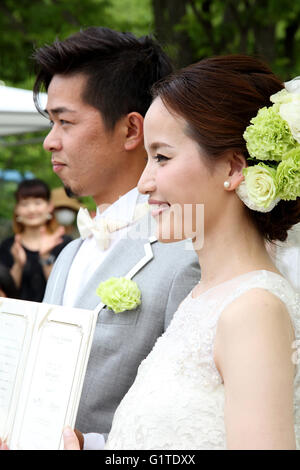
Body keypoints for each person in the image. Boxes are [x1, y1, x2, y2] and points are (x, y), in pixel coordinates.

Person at [64, 54, 300, 450]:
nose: (144, 184)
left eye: (161, 157)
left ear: (232, 168)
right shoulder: (205, 297)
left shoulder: (252, 310)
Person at [33, 26, 200, 449]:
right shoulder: (70, 253)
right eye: (50, 123)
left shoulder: (187, 254)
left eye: (64, 122)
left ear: (131, 131)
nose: (50, 142)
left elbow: (197, 422)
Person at [0, 179, 72, 302]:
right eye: (24, 204)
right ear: (17, 209)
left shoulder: (65, 243)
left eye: (38, 203)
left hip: (54, 317)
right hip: (18, 316)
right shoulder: (8, 245)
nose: (31, 210)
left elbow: (65, 290)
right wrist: (18, 264)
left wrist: (45, 258)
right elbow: (8, 292)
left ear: (49, 207)